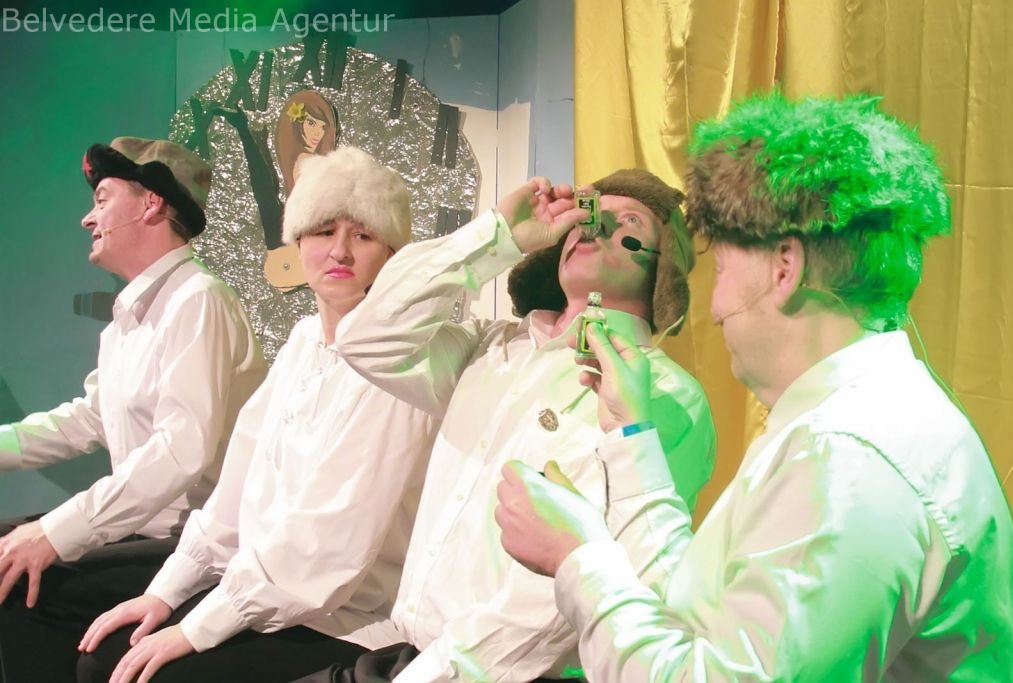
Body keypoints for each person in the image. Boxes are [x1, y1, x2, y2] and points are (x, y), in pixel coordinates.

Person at [496, 92, 1013, 681]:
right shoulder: (846, 424)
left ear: (784, 268)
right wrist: (629, 433)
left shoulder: (848, 458)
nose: (715, 309)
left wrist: (576, 558)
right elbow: (697, 614)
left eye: (721, 269)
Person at [313, 168, 716, 681]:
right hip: (407, 655)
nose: (594, 225)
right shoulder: (491, 346)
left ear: (661, 266)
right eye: (589, 213)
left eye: (629, 221)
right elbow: (365, 338)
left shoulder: (664, 395)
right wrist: (499, 233)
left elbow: (557, 597)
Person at [75, 146, 441, 683]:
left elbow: (327, 546)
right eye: (323, 231)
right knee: (103, 651)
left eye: (363, 236)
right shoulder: (303, 341)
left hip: (346, 618)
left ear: (390, 253)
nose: (339, 250)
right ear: (298, 242)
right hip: (263, 590)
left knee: (140, 674)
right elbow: (235, 492)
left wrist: (198, 627)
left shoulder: (401, 363)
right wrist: (166, 592)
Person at [0, 137, 267, 681]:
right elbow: (90, 418)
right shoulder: (129, 317)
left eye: (102, 198)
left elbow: (180, 451)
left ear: (151, 203)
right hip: (145, 531)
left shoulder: (199, 299)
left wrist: (56, 531)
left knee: (22, 581)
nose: (87, 218)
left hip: (195, 544)